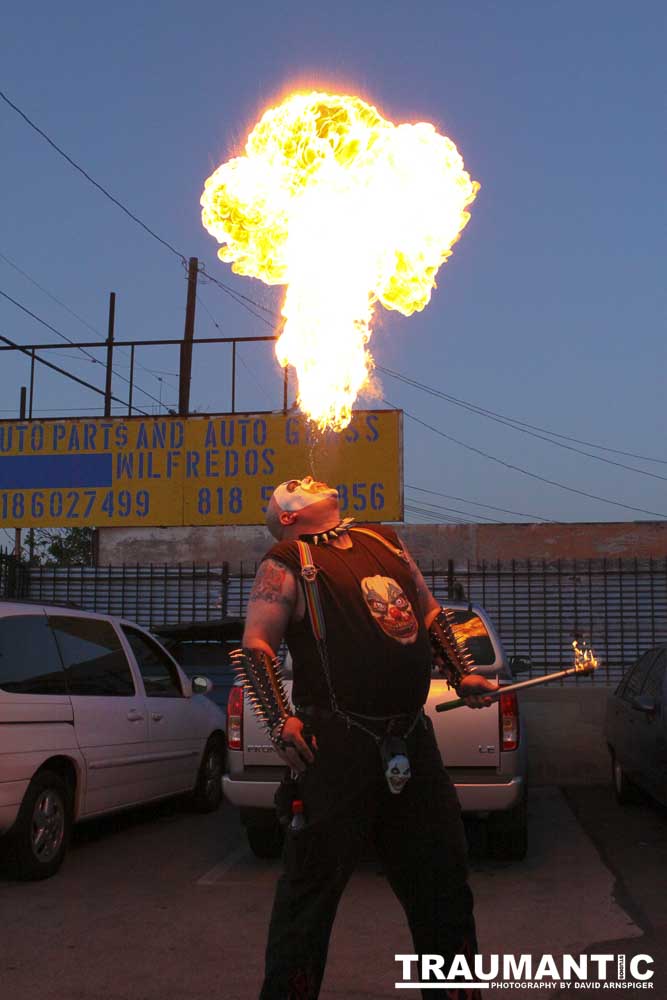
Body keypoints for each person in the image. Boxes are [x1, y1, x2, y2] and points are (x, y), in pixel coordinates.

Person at [233, 476, 499, 999]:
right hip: (334, 748)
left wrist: (461, 670)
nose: (309, 479)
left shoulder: (384, 540)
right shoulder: (287, 560)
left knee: (443, 884)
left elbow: (427, 611)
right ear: (286, 516)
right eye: (295, 486)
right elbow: (257, 643)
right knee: (308, 899)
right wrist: (280, 719)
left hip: (411, 740)